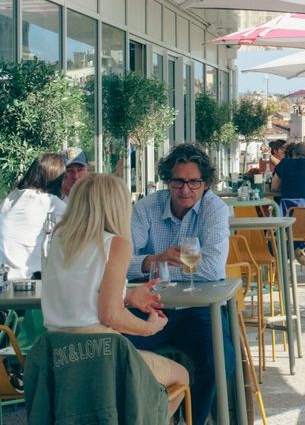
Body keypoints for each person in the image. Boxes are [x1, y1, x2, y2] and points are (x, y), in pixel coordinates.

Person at [41, 174, 188, 419]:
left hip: (60, 357)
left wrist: (127, 296)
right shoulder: (116, 244)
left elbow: (81, 291)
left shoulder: (59, 236)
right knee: (181, 376)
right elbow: (109, 315)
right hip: (102, 357)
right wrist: (149, 328)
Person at [125, 143, 233, 424]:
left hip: (199, 310)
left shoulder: (215, 209)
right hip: (152, 307)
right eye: (178, 181)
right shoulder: (147, 207)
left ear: (205, 183)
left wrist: (155, 268)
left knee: (220, 361)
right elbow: (120, 262)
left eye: (193, 182)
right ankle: (148, 415)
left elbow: (212, 269)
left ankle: (192, 420)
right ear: (167, 181)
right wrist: (155, 259)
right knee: (114, 350)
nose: (185, 189)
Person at [0, 153, 66, 279]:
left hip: (4, 279)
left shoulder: (10, 198)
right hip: (28, 280)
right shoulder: (49, 202)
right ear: (57, 179)